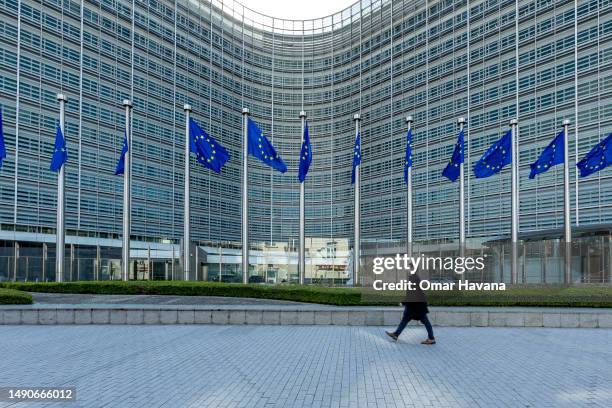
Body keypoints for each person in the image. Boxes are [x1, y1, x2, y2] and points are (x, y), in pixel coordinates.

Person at [385, 273, 435, 344]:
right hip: (415, 309)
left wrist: (402, 303)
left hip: (417, 310)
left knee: (426, 323)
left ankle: (431, 338)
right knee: (405, 320)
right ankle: (396, 334)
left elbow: (411, 298)